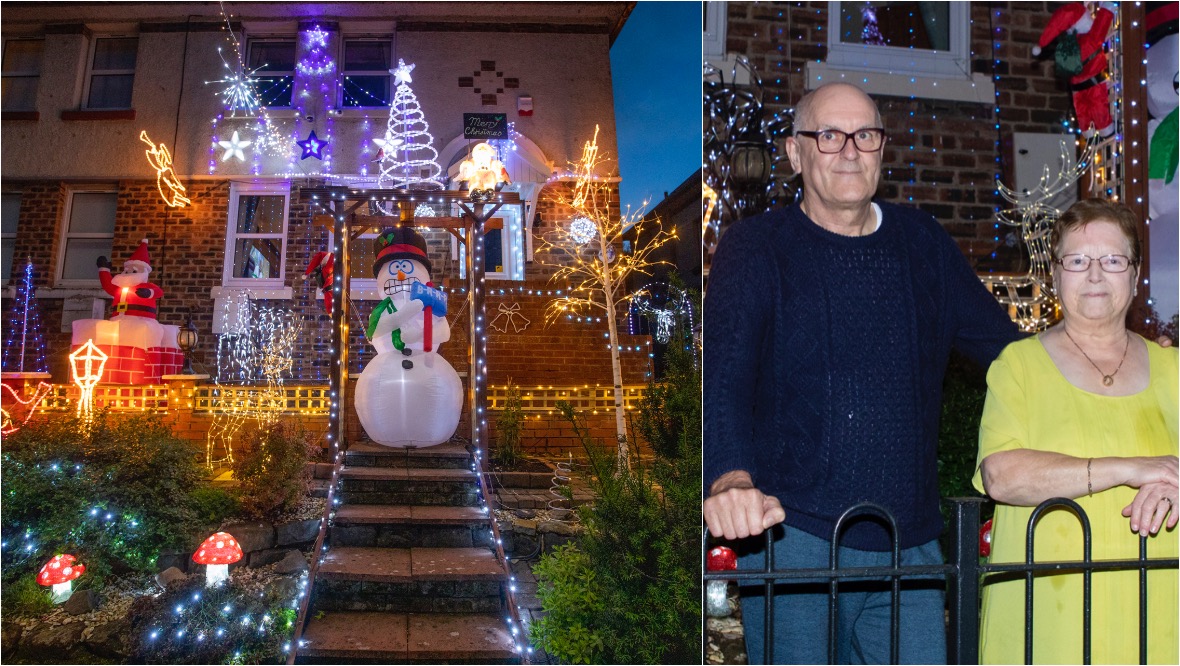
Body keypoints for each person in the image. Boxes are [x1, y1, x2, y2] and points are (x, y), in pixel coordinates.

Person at [703, 82, 1021, 664]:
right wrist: (729, 480)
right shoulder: (755, 248)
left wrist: (1105, 363)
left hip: (913, 542)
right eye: (829, 135)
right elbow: (724, 383)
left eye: (865, 135)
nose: (849, 150)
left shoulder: (923, 243)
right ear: (795, 153)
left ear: (881, 150)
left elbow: (1011, 356)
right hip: (794, 540)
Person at [973, 199, 1178, 664]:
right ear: (1055, 273)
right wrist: (1133, 469)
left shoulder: (1174, 369)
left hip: (1160, 615)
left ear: (1135, 271)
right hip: (1049, 619)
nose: (1095, 275)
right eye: (1078, 260)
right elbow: (1001, 476)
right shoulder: (1018, 367)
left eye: (1112, 260)